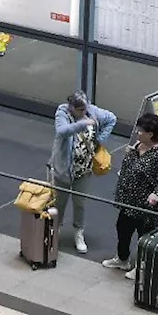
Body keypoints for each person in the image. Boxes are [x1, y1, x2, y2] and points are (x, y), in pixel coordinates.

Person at [102, 113, 158, 280]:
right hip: (129, 200)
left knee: (144, 237)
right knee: (123, 229)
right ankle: (122, 259)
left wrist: (155, 194)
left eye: (141, 131)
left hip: (146, 205)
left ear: (151, 134)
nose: (137, 133)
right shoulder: (139, 144)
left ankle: (142, 267)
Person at [50, 91, 117, 254]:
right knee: (59, 202)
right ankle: (54, 231)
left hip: (84, 169)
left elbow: (111, 119)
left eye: (85, 108)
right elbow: (62, 131)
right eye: (80, 110)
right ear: (71, 107)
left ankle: (78, 232)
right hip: (64, 169)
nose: (84, 112)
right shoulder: (62, 113)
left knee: (80, 203)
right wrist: (84, 123)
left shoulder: (91, 111)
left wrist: (100, 139)